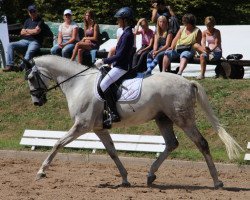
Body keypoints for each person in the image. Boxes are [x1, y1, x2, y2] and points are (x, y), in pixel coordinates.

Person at [95, 7, 135, 124]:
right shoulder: (125, 32)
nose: (117, 21)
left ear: (125, 20)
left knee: (103, 84)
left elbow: (120, 55)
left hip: (121, 67)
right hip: (118, 65)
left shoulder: (128, 34)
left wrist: (104, 60)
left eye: (119, 19)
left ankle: (114, 113)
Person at [3, 5, 45, 72]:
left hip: (35, 42)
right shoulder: (27, 21)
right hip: (24, 41)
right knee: (10, 45)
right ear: (29, 13)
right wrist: (32, 31)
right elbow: (22, 32)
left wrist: (27, 30)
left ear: (36, 11)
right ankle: (9, 65)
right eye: (31, 11)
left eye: (34, 11)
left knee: (29, 52)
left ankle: (20, 67)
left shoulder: (40, 21)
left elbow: (36, 31)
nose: (33, 13)